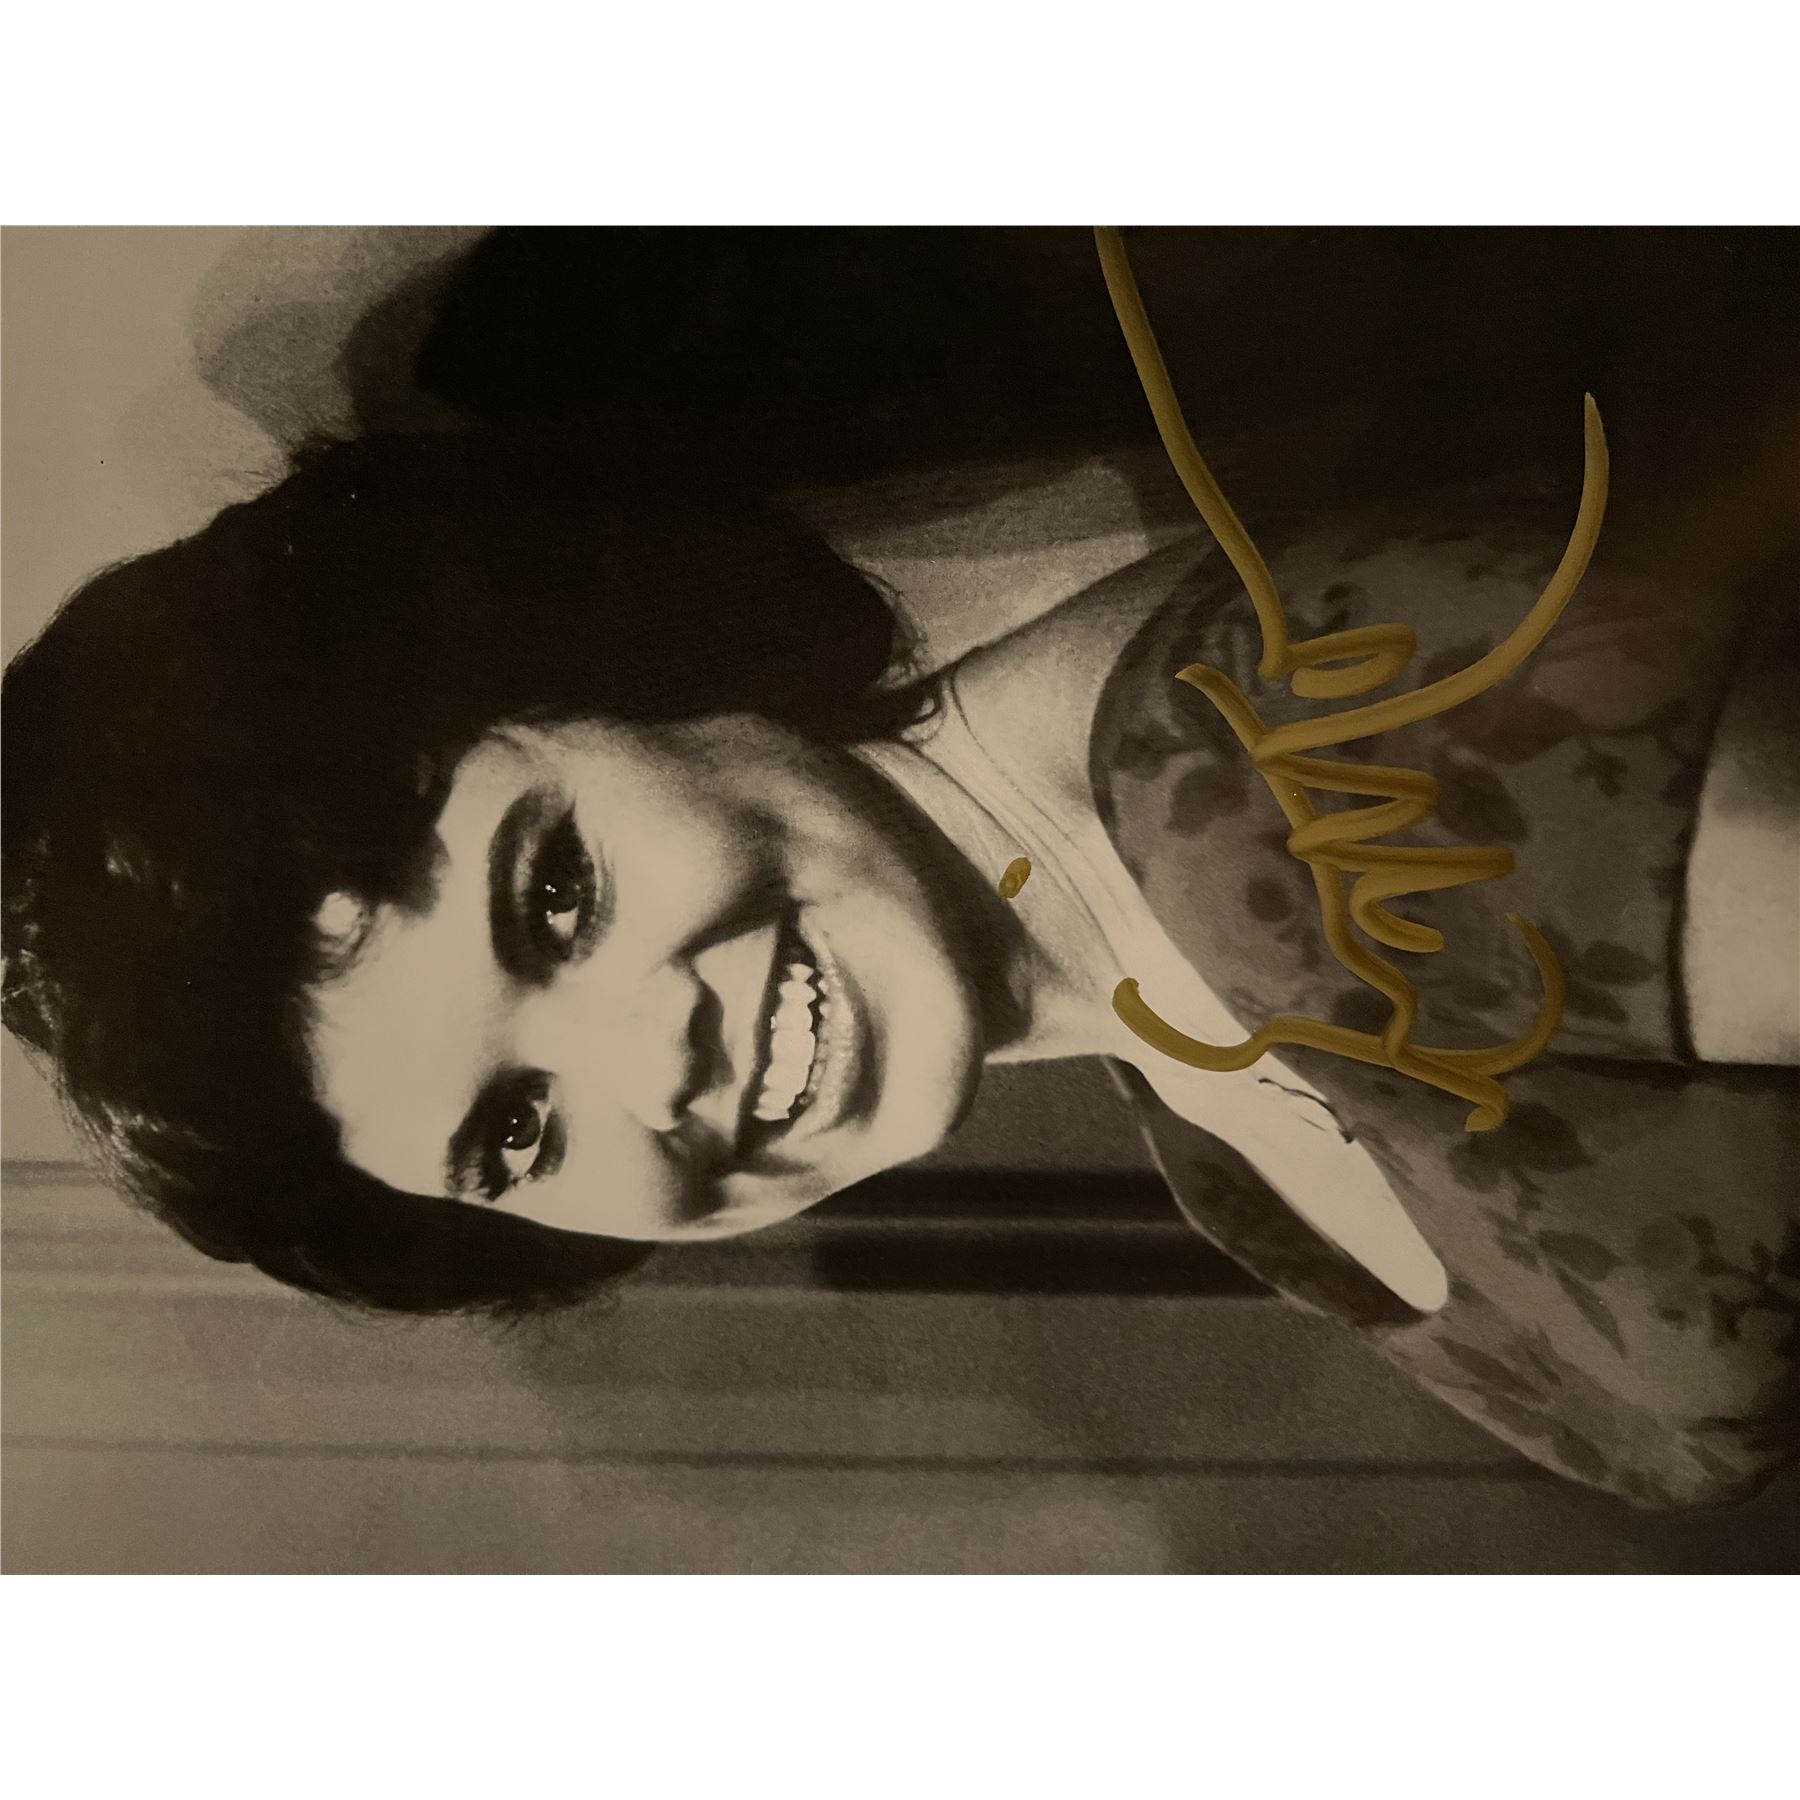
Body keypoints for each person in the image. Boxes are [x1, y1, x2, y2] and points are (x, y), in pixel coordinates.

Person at [5, 236, 1797, 1515]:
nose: (656, 1069)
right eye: (519, 1131)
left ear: (615, 662)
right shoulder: (1215, 1152)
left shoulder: (1270, 782)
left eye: (554, 898)